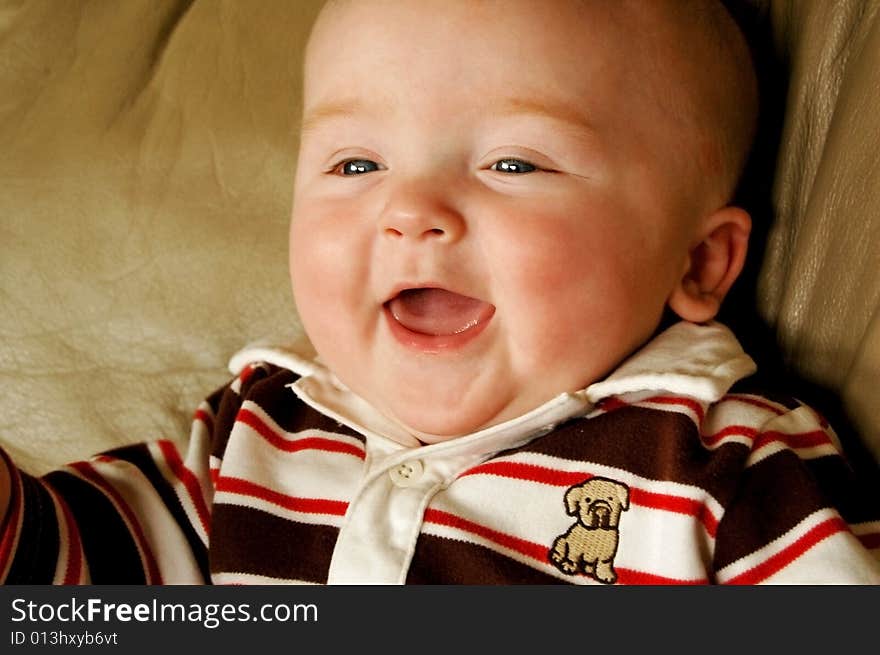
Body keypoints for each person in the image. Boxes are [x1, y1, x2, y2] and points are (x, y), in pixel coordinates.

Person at [1, 0, 878, 585]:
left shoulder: (724, 465)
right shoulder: (258, 437)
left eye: (512, 162)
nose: (409, 210)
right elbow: (68, 584)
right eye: (356, 163)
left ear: (697, 263)